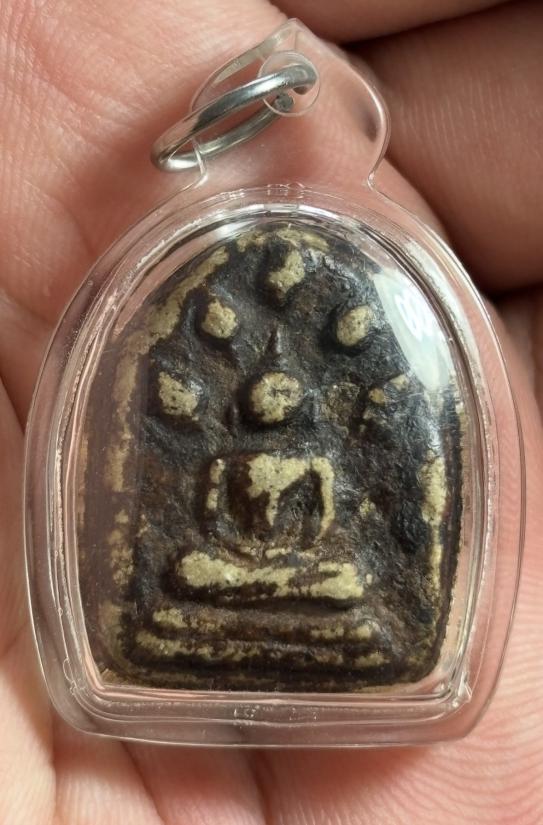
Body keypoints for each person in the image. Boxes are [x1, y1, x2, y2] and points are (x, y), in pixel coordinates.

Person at [0, 1, 541, 822]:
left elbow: (317, 533)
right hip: (217, 578)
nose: (274, 401)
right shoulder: (229, 458)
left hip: (311, 580)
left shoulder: (315, 459)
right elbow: (214, 529)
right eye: (266, 394)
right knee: (191, 576)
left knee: (342, 582)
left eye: (286, 394)